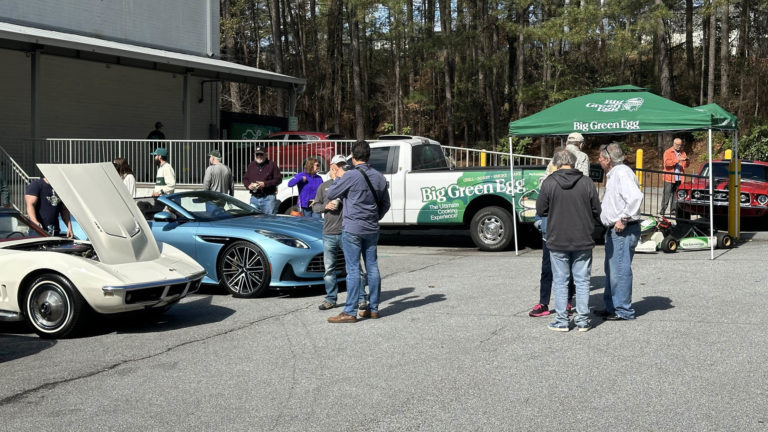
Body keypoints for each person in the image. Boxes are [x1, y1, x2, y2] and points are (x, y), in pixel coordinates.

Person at [536, 149, 601, 332]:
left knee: (561, 280)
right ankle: (582, 320)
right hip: (583, 237)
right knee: (582, 281)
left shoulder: (549, 182)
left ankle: (562, 320)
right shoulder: (587, 182)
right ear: (574, 163)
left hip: (558, 237)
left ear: (556, 163)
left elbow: (541, 209)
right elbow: (597, 209)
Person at [326, 140, 390, 323]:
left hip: (353, 228)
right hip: (371, 228)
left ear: (353, 157)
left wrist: (338, 177)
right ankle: (374, 308)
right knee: (372, 266)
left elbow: (331, 194)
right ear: (368, 156)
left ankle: (350, 311)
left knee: (353, 269)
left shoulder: (350, 175)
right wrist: (375, 217)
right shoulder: (379, 177)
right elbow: (386, 204)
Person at [313, 155, 368, 310]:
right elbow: (315, 206)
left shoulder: (350, 183)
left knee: (355, 267)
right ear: (332, 166)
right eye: (338, 165)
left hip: (347, 232)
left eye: (343, 165)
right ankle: (331, 298)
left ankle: (362, 298)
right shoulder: (324, 186)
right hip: (329, 233)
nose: (340, 168)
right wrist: (326, 206)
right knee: (329, 269)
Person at [598, 143, 643, 321]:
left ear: (608, 159)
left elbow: (635, 197)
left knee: (620, 270)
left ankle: (623, 309)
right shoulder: (615, 173)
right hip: (615, 229)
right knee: (612, 269)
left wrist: (623, 218)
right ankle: (612, 306)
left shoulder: (622, 172)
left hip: (622, 229)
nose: (599, 161)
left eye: (600, 158)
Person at [243, 146, 282, 214]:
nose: (259, 156)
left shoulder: (272, 164)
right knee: (253, 220)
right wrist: (248, 185)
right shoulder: (251, 165)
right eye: (257, 154)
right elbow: (245, 179)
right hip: (254, 197)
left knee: (268, 221)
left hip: (268, 198)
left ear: (265, 155)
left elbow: (278, 179)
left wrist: (265, 184)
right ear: (254, 155)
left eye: (261, 154)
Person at [660, 137, 690, 216]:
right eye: (678, 145)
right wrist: (678, 160)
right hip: (669, 177)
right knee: (667, 194)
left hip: (679, 178)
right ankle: (663, 209)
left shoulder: (683, 153)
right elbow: (667, 163)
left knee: (675, 195)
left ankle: (673, 210)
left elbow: (686, 166)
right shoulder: (668, 152)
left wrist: (687, 161)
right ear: (674, 144)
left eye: (680, 145)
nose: (679, 146)